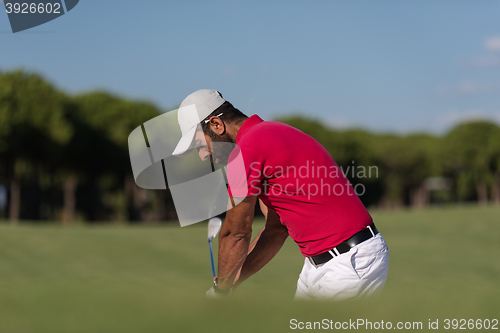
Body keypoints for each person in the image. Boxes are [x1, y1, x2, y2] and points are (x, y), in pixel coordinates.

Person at [172, 89, 389, 300]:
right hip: (322, 265)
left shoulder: (247, 150)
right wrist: (231, 283)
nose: (202, 156)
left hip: (349, 262)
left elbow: (236, 233)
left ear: (216, 125)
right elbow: (275, 230)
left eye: (200, 145)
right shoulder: (268, 133)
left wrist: (220, 290)